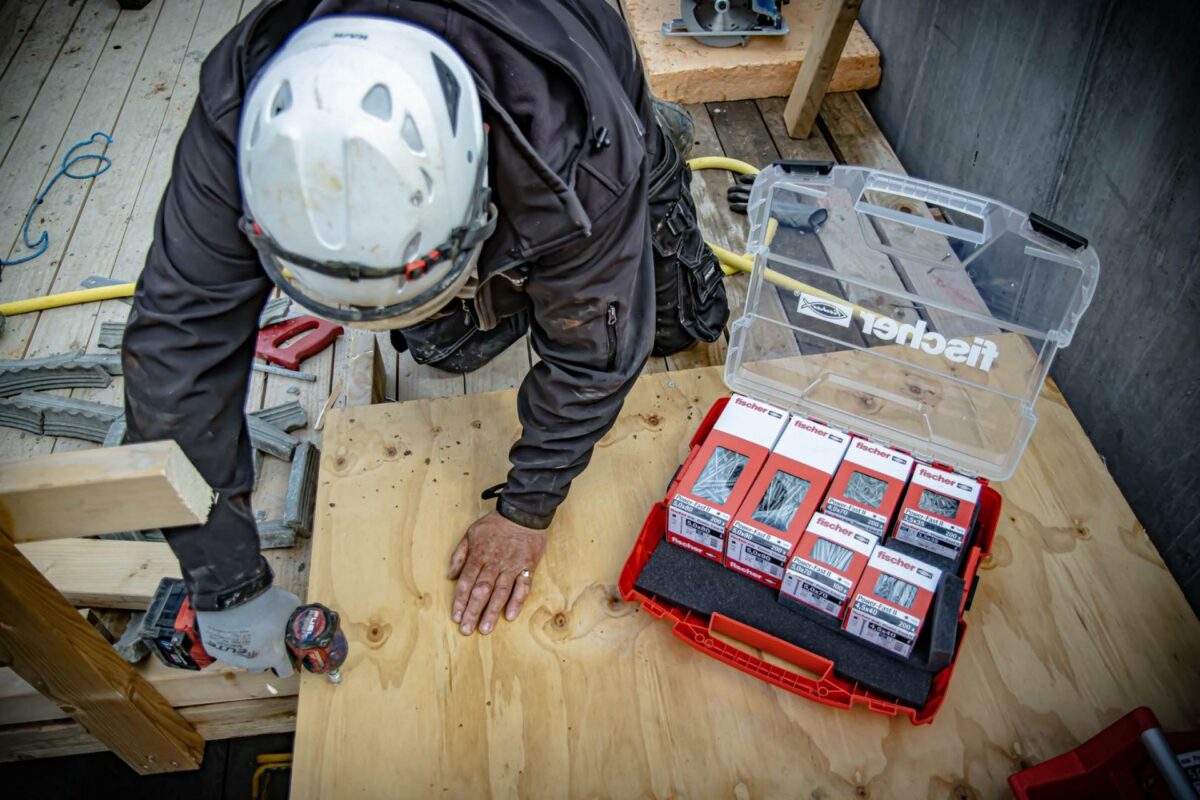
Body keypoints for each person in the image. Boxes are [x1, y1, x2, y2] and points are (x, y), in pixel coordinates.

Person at [121, 0, 727, 674]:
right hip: (508, 184)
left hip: (587, 109)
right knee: (450, 348)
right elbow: (178, 349)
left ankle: (653, 147)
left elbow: (599, 350)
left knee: (673, 322)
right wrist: (226, 585)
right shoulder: (243, 107)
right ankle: (534, 259)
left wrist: (527, 509)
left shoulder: (579, 140)